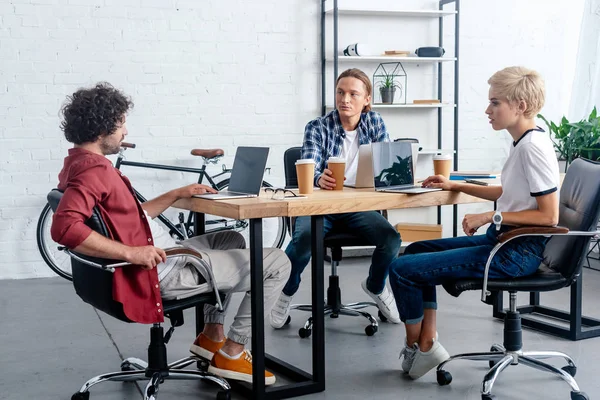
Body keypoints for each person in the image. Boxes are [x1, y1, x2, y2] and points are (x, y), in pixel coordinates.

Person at [50, 82, 291, 386]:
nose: (125, 132)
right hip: (162, 273)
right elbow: (65, 228)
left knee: (233, 239)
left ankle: (210, 336)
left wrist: (176, 194)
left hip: (160, 261)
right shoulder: (94, 172)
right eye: (121, 124)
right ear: (102, 128)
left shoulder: (80, 164)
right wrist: (131, 253)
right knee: (278, 261)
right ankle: (233, 352)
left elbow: (131, 216)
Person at [389, 66, 559, 379]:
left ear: (519, 106)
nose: (487, 109)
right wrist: (456, 184)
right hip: (503, 242)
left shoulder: (532, 148)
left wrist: (489, 215)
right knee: (414, 251)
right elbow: (506, 191)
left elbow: (549, 216)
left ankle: (417, 346)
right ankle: (428, 343)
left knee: (400, 270)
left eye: (495, 102)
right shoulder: (523, 142)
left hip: (514, 253)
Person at [269, 68, 402, 329]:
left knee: (391, 239)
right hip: (321, 206)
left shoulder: (375, 122)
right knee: (304, 239)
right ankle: (286, 291)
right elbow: (310, 163)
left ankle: (376, 286)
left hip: (357, 206)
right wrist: (319, 178)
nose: (345, 99)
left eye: (353, 94)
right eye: (341, 92)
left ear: (367, 99)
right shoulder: (317, 126)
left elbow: (385, 166)